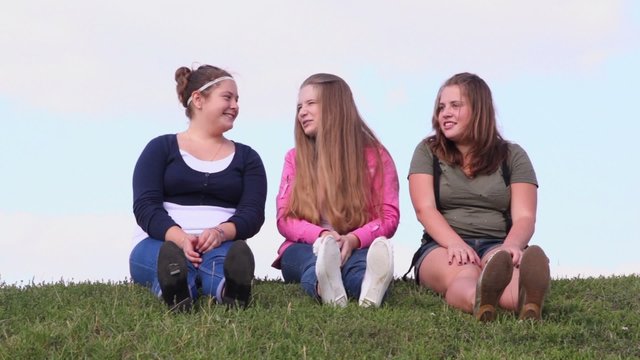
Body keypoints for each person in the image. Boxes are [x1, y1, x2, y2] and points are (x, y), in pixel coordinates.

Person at [407, 72, 550, 321]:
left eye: (455, 105)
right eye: (441, 107)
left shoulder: (513, 155)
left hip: (497, 243)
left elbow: (525, 216)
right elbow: (425, 209)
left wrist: (511, 246)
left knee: (510, 275)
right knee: (464, 273)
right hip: (442, 245)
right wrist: (454, 243)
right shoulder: (427, 152)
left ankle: (526, 300)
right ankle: (480, 298)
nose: (445, 113)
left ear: (479, 110)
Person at [129, 64, 267, 312]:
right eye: (227, 97)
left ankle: (230, 290)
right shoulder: (160, 148)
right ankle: (176, 289)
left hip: (220, 244)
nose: (235, 105)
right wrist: (180, 238)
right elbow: (145, 206)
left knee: (220, 261)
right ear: (198, 99)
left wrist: (219, 233)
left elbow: (253, 213)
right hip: (160, 242)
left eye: (237, 99)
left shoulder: (248, 158)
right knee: (170, 260)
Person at [272, 73, 400, 308]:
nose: (302, 112)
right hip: (305, 246)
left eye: (311, 104)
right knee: (310, 264)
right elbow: (285, 218)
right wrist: (322, 237)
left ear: (335, 107)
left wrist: (353, 239)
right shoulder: (294, 159)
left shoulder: (376, 157)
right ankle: (323, 288)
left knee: (360, 264)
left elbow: (388, 216)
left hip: (358, 244)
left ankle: (368, 287)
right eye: (299, 106)